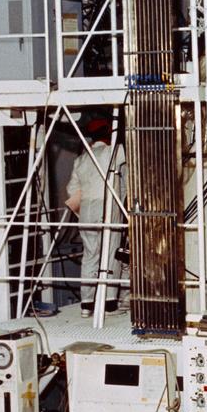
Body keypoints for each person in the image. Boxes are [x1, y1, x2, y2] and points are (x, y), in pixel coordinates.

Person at [66, 115, 126, 318]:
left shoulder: (81, 159)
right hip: (108, 205)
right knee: (110, 253)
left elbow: (72, 189)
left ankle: (86, 304)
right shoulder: (114, 152)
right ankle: (109, 304)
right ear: (109, 133)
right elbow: (126, 178)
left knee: (90, 255)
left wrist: (83, 208)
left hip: (86, 209)